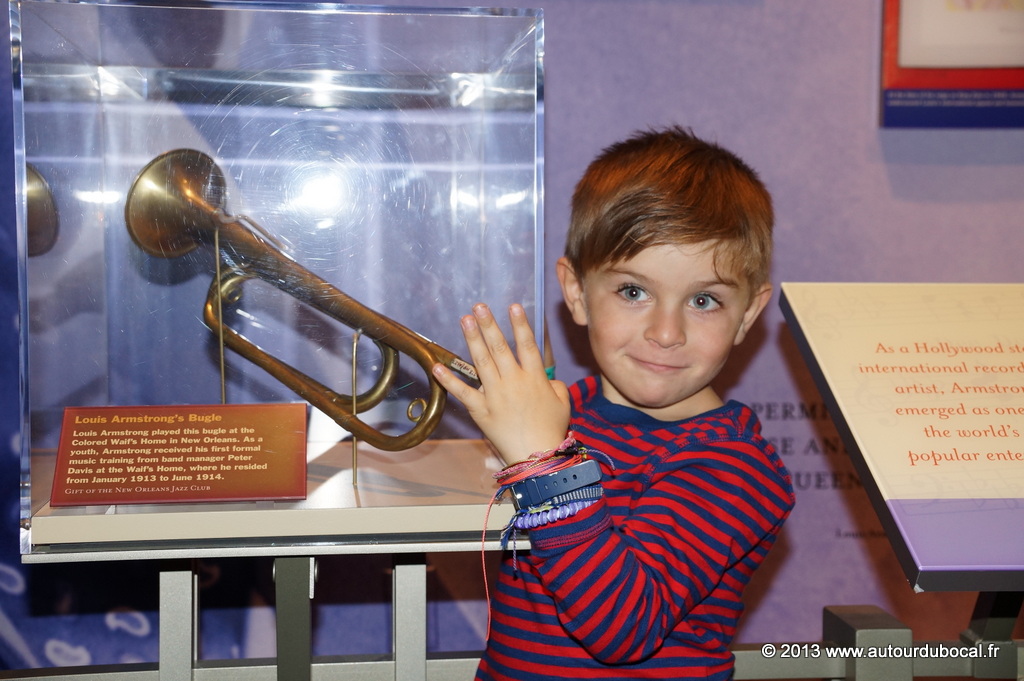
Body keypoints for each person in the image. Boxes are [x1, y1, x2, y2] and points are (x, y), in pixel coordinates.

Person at [432, 126, 795, 680]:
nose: (666, 333)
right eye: (633, 291)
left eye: (704, 300)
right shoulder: (560, 413)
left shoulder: (733, 463)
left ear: (747, 315)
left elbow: (624, 626)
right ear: (577, 292)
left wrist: (544, 463)